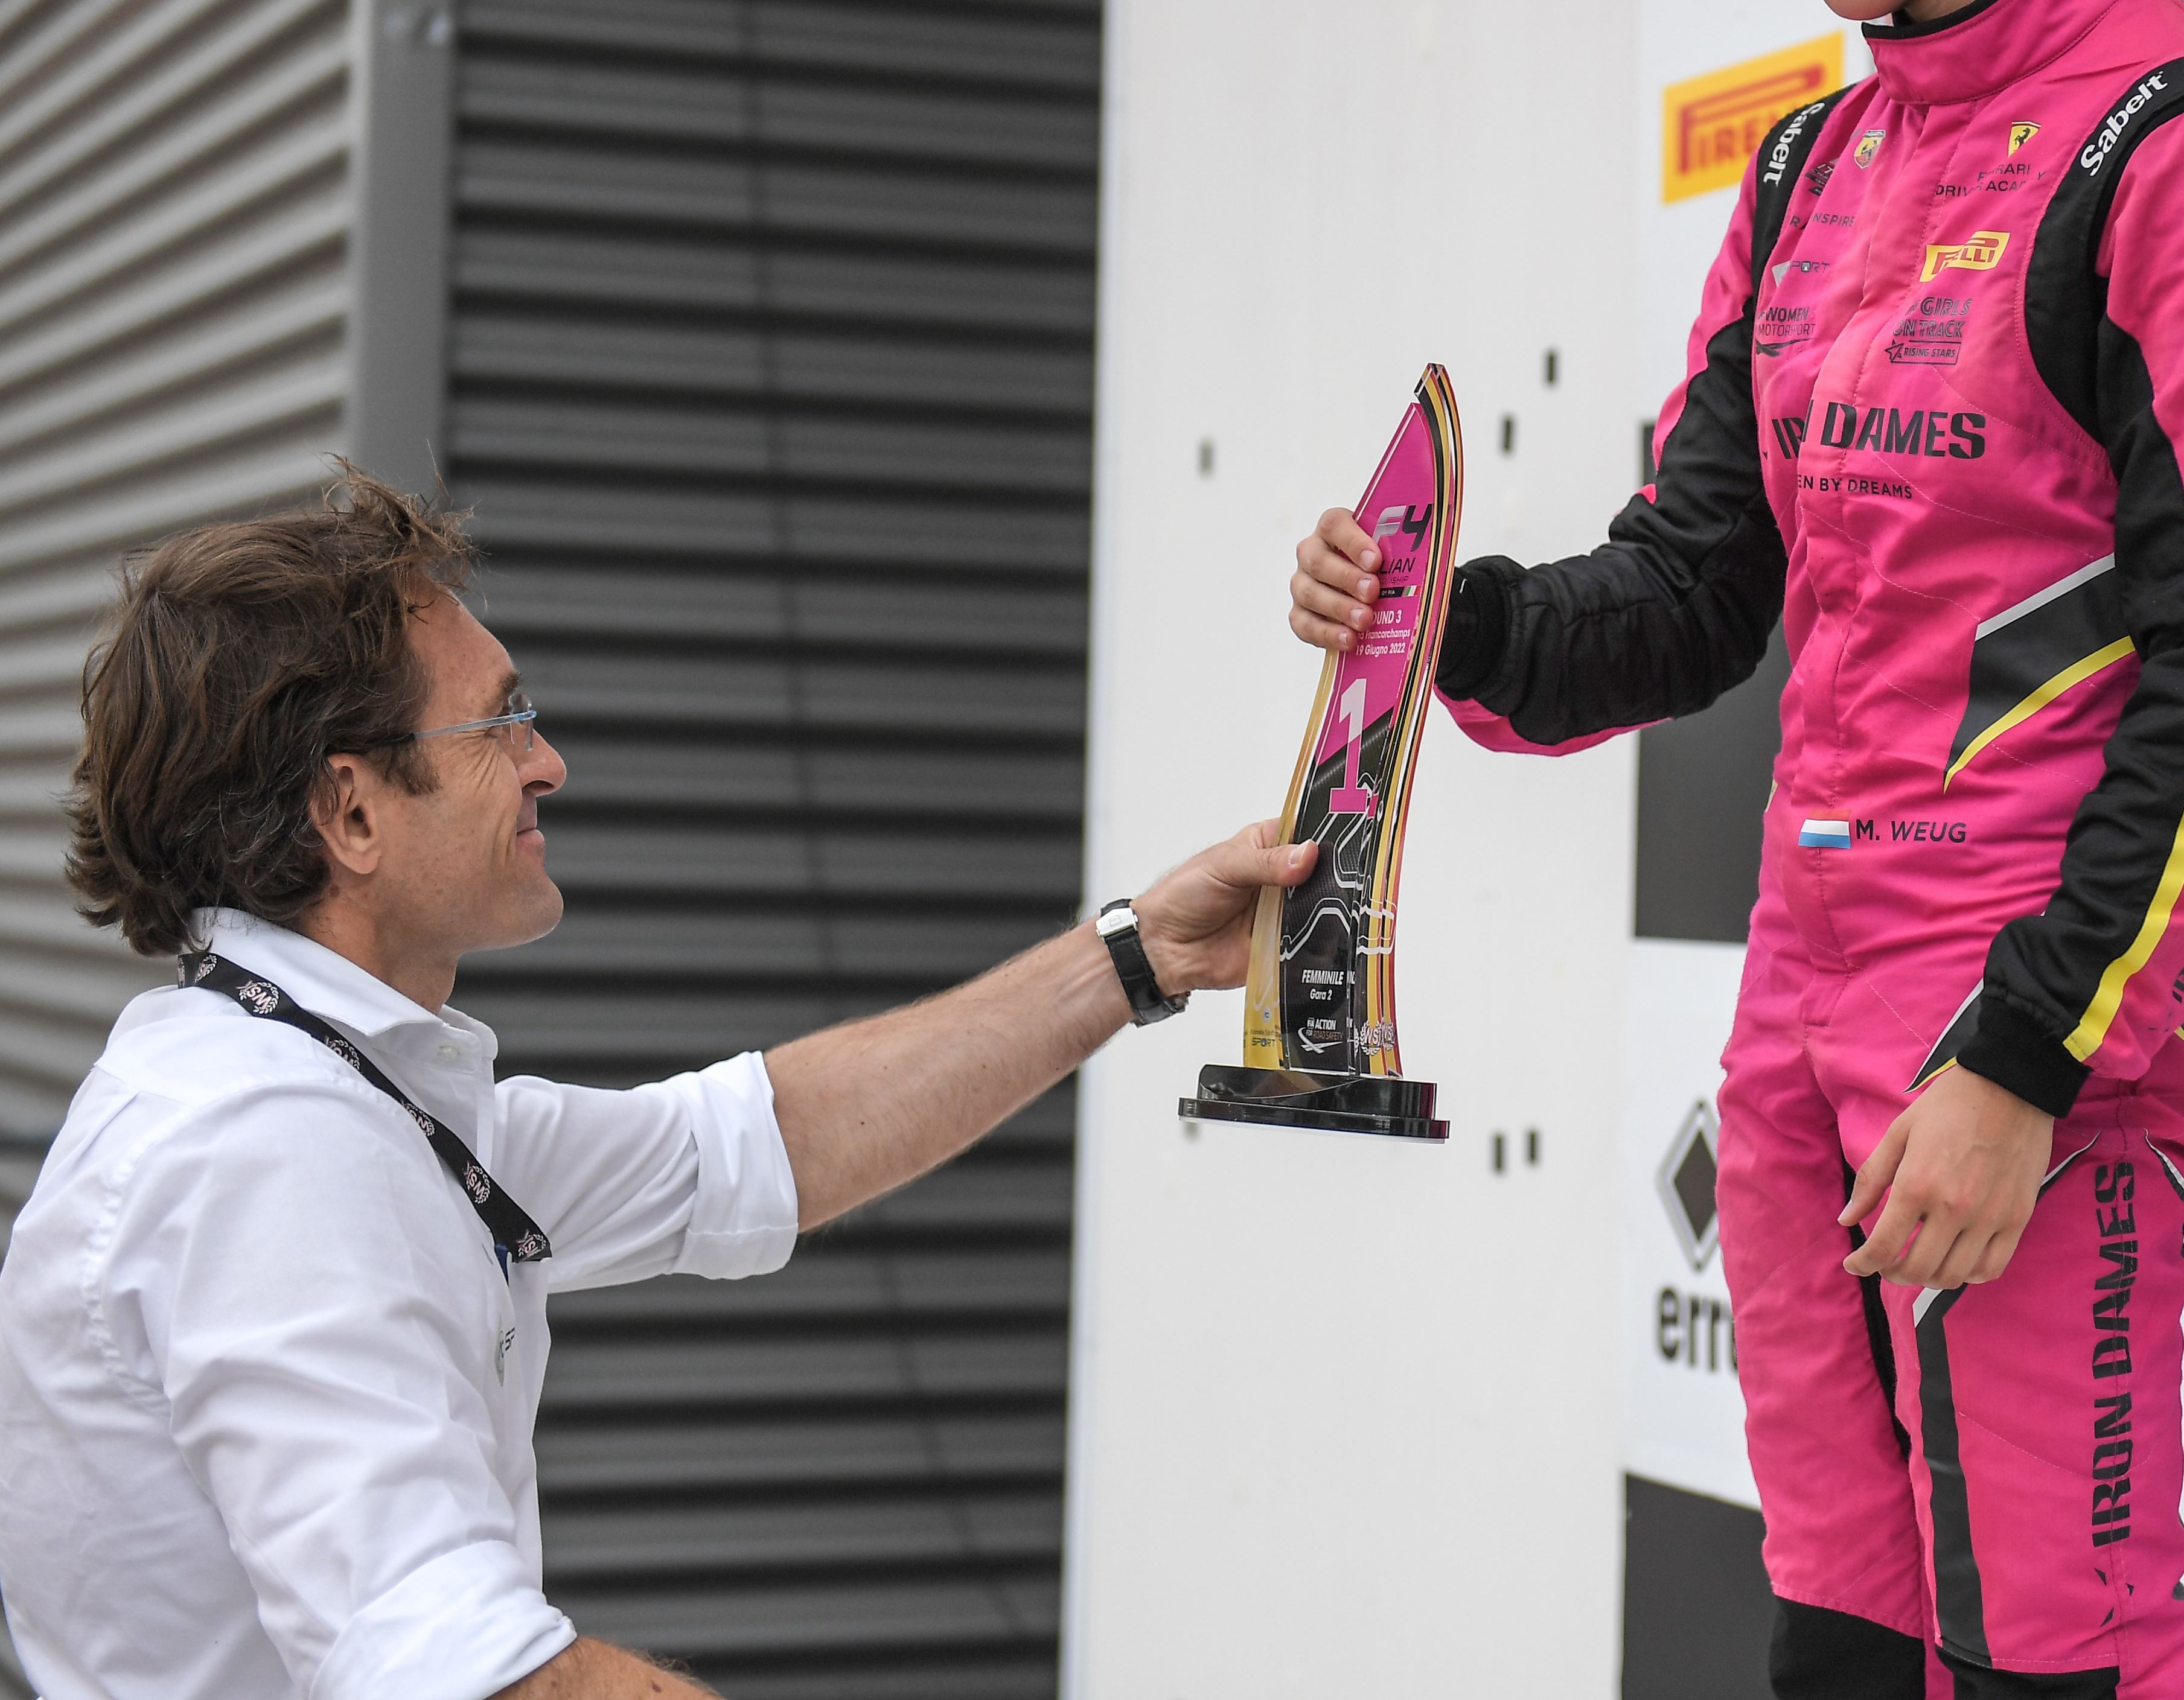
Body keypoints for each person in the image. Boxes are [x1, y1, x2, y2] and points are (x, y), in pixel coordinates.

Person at [1295, 0, 2184, 1698]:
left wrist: (2025, 1061)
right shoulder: (1806, 171)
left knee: (2055, 1660)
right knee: (1837, 1651)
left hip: (2022, 1048)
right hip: (1799, 1036)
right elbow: (1697, 585)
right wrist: (1451, 628)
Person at [0, 467, 1311, 1699]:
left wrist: (1135, 956)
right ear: (350, 812)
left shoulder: (330, 1082)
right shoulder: (267, 1150)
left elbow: (759, 1141)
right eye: (501, 718)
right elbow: (469, 1672)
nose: (548, 758)